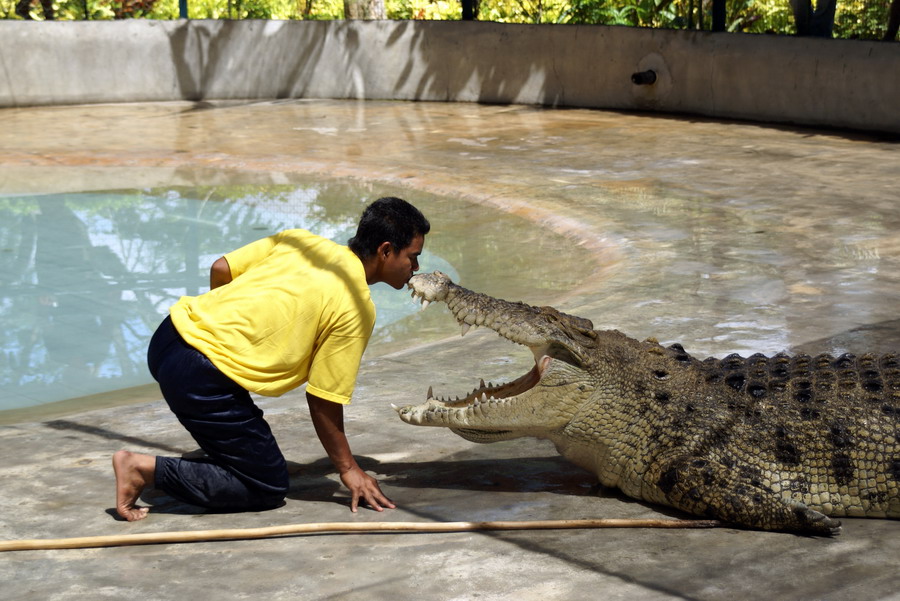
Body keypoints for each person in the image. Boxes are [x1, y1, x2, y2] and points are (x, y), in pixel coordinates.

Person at [112, 197, 430, 521]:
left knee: (239, 431)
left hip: (168, 336)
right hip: (198, 376)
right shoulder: (355, 307)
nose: (415, 269)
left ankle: (217, 438)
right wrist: (348, 469)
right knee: (265, 484)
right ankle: (140, 469)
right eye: (412, 257)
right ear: (386, 250)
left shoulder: (301, 241)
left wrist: (225, 331)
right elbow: (323, 399)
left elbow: (220, 268)